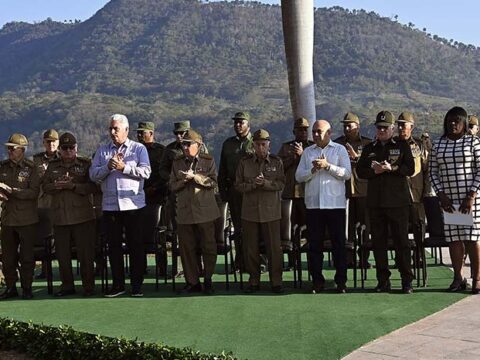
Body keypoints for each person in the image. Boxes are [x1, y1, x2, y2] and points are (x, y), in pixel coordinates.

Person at [90, 114, 151, 297]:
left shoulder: (138, 149)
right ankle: (118, 285)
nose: (112, 132)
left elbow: (146, 172)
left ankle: (137, 286)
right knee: (114, 247)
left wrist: (124, 168)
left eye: (116, 128)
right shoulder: (102, 151)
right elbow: (93, 175)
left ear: (126, 130)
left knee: (136, 246)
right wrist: (108, 167)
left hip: (133, 206)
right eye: (110, 128)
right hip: (110, 207)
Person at [357, 111, 415, 294]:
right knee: (379, 244)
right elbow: (360, 172)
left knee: (402, 243)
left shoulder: (402, 145)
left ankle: (407, 281)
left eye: (385, 128)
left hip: (398, 203)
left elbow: (410, 169)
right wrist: (375, 172)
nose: (381, 130)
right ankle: (383, 281)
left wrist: (392, 168)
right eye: (379, 127)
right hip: (376, 204)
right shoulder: (369, 148)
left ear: (392, 129)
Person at [296, 120, 351, 293]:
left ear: (329, 133)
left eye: (319, 132)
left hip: (335, 206)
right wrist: (312, 171)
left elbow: (347, 174)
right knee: (315, 246)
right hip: (314, 207)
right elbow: (298, 177)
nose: (316, 135)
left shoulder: (339, 150)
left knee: (338, 245)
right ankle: (317, 281)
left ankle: (341, 281)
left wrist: (328, 166)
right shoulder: (308, 152)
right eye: (314, 132)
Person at [429, 106, 480, 294]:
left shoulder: (473, 143)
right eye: (449, 121)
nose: (453, 124)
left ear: (464, 123)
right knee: (454, 239)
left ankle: (477, 278)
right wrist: (440, 194)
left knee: (472, 238)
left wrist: (471, 195)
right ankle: (458, 278)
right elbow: (432, 172)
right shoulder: (438, 144)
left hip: (470, 201)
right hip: (448, 200)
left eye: (457, 121)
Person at [42, 133, 97, 297]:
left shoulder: (86, 164)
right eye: (64, 148)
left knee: (85, 254)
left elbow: (94, 187)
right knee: (62, 255)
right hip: (60, 217)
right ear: (59, 149)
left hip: (83, 217)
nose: (67, 151)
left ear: (76, 148)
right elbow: (44, 187)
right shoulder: (53, 166)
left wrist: (73, 186)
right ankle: (67, 286)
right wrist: (56, 186)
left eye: (71, 148)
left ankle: (88, 287)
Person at [169, 129, 220, 294]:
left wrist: (195, 178)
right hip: (185, 212)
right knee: (187, 248)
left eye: (188, 144)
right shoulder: (177, 163)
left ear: (197, 145)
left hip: (205, 212)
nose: (184, 147)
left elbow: (213, 182)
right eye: (182, 144)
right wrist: (183, 181)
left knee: (209, 247)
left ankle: (208, 279)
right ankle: (192, 282)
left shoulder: (208, 160)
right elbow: (172, 186)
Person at [235, 129, 285, 293]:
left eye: (263, 144)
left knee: (274, 249)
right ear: (253, 145)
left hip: (271, 212)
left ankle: (276, 282)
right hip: (250, 212)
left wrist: (265, 184)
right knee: (251, 249)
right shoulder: (245, 162)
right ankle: (254, 281)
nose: (260, 148)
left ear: (269, 144)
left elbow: (281, 184)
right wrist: (252, 185)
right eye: (257, 144)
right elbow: (238, 185)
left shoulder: (276, 162)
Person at [0, 133, 40, 300]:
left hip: (27, 219)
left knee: (27, 257)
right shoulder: (2, 167)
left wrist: (12, 191)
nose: (9, 151)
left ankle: (27, 288)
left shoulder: (31, 169)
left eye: (12, 148)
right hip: (8, 218)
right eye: (8, 148)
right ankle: (10, 287)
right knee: (8, 257)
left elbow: (33, 193)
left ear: (22, 150)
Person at [333, 112, 372, 269]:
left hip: (363, 191)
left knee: (364, 226)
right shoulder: (336, 145)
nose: (346, 128)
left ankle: (364, 258)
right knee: (346, 227)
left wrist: (357, 158)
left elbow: (372, 164)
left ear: (358, 127)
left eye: (350, 125)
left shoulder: (368, 145)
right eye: (344, 126)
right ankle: (348, 259)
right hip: (344, 191)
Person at [218, 112, 254, 269]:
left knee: (253, 226)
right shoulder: (228, 144)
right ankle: (240, 260)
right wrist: (224, 193)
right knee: (238, 228)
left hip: (252, 190)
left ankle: (257, 261)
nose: (238, 125)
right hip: (234, 190)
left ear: (248, 124)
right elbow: (222, 170)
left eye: (241, 122)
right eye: (236, 122)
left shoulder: (256, 142)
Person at [277, 117, 314, 255]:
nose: (303, 132)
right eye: (300, 130)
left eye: (305, 129)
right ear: (294, 131)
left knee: (309, 227)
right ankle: (293, 259)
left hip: (306, 194)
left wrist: (302, 155)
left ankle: (311, 258)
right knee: (290, 228)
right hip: (289, 194)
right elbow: (278, 168)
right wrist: (292, 158)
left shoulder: (312, 147)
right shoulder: (286, 147)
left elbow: (316, 167)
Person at [395, 112, 429, 259]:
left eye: (404, 124)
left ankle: (419, 255)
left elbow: (427, 169)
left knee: (418, 226)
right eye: (399, 124)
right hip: (396, 194)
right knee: (398, 228)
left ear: (412, 127)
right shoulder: (393, 143)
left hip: (416, 193)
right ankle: (400, 257)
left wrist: (426, 192)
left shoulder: (419, 145)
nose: (401, 127)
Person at [136, 121, 166, 273]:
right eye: (138, 133)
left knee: (159, 231)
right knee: (139, 232)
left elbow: (166, 174)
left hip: (158, 195)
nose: (140, 136)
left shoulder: (161, 151)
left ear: (151, 134)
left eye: (143, 133)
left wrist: (155, 188)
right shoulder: (133, 150)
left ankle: (162, 266)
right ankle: (141, 266)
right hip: (138, 196)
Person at [33, 129, 60, 279]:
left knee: (61, 234)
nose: (51, 144)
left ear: (58, 143)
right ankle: (45, 269)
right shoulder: (36, 160)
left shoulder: (63, 157)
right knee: (44, 235)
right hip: (43, 202)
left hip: (59, 201)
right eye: (48, 142)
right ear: (44, 143)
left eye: (54, 141)